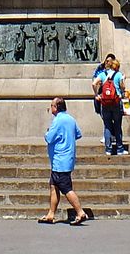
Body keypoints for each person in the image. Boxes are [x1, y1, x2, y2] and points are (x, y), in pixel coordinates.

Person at [39, 96, 87, 226]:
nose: (50, 108)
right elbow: (78, 134)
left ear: (56, 107)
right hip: (67, 158)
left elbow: (49, 138)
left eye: (52, 105)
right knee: (54, 186)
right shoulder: (71, 119)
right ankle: (51, 214)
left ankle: (80, 212)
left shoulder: (58, 121)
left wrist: (47, 132)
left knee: (66, 188)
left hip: (60, 160)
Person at [92, 54, 126, 156]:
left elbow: (94, 83)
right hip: (116, 102)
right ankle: (120, 149)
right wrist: (123, 80)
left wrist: (97, 95)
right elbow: (122, 88)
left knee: (107, 126)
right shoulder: (119, 74)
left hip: (105, 103)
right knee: (117, 125)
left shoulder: (102, 74)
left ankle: (108, 149)